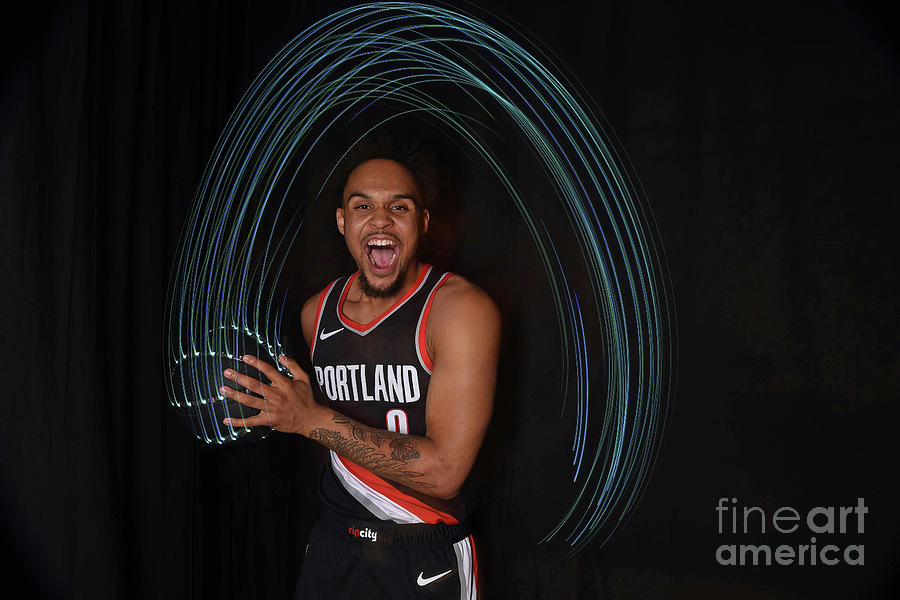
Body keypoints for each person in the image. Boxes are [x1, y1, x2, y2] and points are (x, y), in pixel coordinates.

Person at [219, 136, 501, 599]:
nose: (381, 219)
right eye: (363, 206)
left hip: (423, 554)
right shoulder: (317, 313)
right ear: (343, 221)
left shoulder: (460, 312)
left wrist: (310, 420)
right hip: (334, 542)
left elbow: (446, 471)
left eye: (400, 207)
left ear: (423, 222)